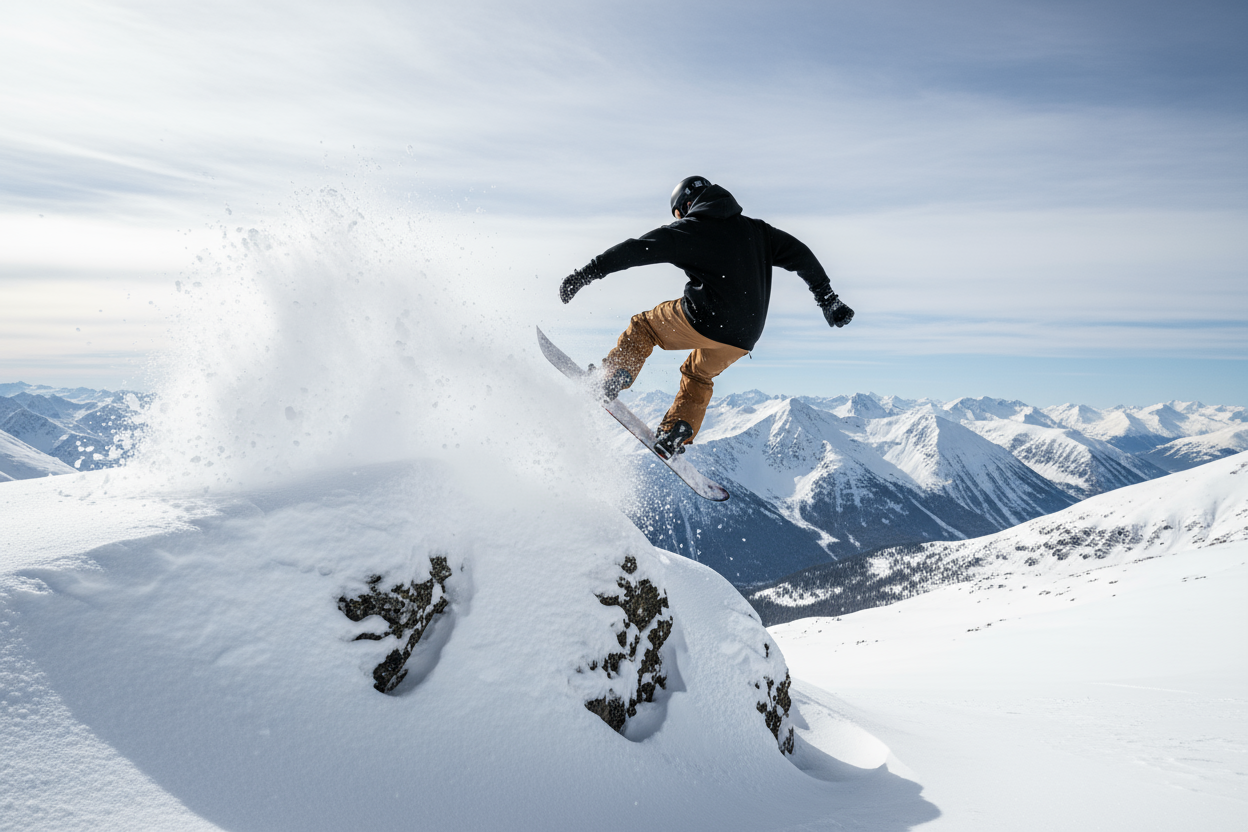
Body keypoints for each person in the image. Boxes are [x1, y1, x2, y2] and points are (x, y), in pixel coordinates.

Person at [559, 176, 854, 459]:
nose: (678, 220)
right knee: (698, 374)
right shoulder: (758, 232)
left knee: (644, 327)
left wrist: (586, 273)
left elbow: (636, 249)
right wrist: (827, 299)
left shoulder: (691, 229)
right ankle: (677, 430)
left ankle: (611, 378)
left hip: (707, 318)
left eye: (677, 214)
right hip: (745, 337)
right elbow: (801, 254)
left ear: (685, 206)